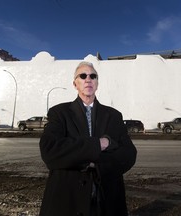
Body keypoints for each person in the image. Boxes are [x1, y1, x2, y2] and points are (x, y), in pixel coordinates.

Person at [39, 61, 137, 216]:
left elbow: (129, 155)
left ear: (97, 83)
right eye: (83, 76)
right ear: (75, 84)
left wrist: (95, 163)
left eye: (93, 76)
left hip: (106, 201)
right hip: (67, 200)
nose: (88, 79)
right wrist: (99, 144)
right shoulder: (59, 113)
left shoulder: (113, 116)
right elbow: (50, 151)